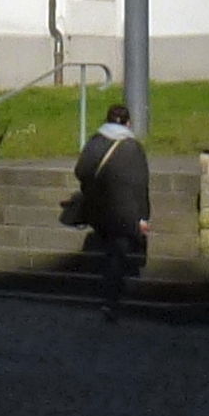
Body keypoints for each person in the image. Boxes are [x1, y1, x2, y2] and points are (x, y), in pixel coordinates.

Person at [72, 93, 151, 321]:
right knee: (118, 253)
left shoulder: (95, 141)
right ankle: (111, 301)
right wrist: (143, 216)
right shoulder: (132, 148)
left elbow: (80, 171)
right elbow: (141, 184)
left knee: (108, 249)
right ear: (128, 123)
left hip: (99, 208)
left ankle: (107, 294)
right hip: (125, 212)